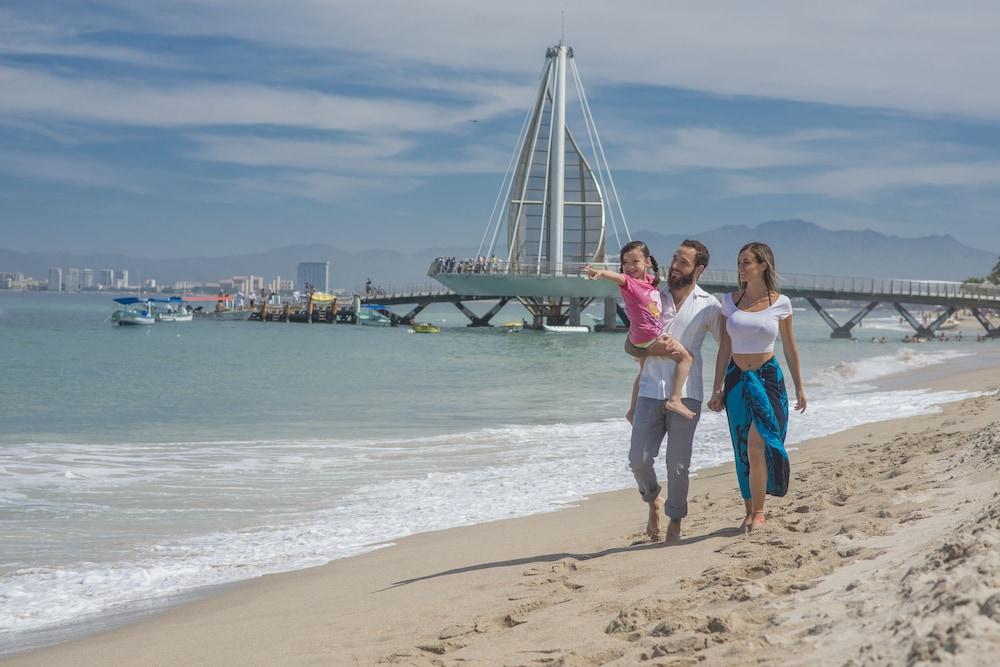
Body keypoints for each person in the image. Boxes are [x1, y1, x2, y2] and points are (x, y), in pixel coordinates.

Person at [620, 240, 724, 543]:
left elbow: (726, 347)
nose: (675, 266)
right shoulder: (652, 295)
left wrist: (722, 387)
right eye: (674, 259)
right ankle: (652, 499)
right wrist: (651, 349)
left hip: (688, 392)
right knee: (638, 459)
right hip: (650, 389)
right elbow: (633, 343)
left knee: (678, 464)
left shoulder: (709, 305)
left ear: (699, 270)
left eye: (683, 262)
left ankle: (675, 519)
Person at [707, 241, 806, 533]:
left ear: (762, 265)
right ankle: (749, 509)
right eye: (738, 263)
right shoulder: (730, 302)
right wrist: (716, 388)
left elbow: (790, 348)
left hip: (767, 379)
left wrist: (800, 386)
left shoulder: (781, 303)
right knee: (742, 447)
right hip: (736, 378)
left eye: (746, 262)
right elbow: (724, 348)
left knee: (757, 443)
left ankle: (760, 511)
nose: (741, 268)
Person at [586, 241, 695, 420]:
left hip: (640, 337)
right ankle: (675, 399)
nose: (629, 267)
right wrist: (600, 273)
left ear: (648, 262)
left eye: (635, 261)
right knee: (686, 357)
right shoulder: (629, 283)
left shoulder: (651, 282)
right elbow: (616, 277)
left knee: (643, 373)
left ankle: (632, 411)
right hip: (649, 337)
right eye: (625, 262)